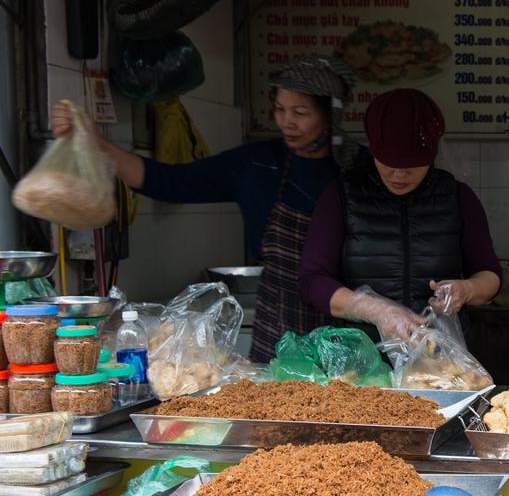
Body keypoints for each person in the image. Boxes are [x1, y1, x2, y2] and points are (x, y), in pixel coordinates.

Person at [50, 55, 362, 362]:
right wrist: (96, 143)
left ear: (329, 115)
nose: (286, 122)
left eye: (301, 112)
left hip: (345, 331)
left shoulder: (357, 170)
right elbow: (168, 181)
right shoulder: (257, 165)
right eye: (280, 109)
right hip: (277, 332)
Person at [298, 88, 501, 340]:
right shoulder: (341, 196)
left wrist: (466, 290)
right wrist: (376, 310)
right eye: (389, 162)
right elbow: (312, 282)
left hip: (440, 361)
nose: (399, 175)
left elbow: (490, 275)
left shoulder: (458, 197)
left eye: (411, 165)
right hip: (360, 360)